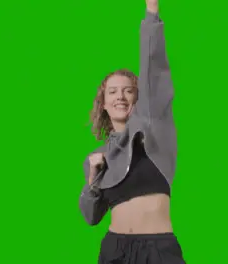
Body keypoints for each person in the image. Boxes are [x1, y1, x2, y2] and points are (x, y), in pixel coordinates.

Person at [79, 1, 185, 263]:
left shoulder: (154, 128)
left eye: (128, 90)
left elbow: (153, 71)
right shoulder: (98, 157)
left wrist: (152, 14)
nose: (120, 97)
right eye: (112, 92)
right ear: (103, 104)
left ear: (139, 98)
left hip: (157, 249)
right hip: (115, 249)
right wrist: (92, 180)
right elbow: (91, 217)